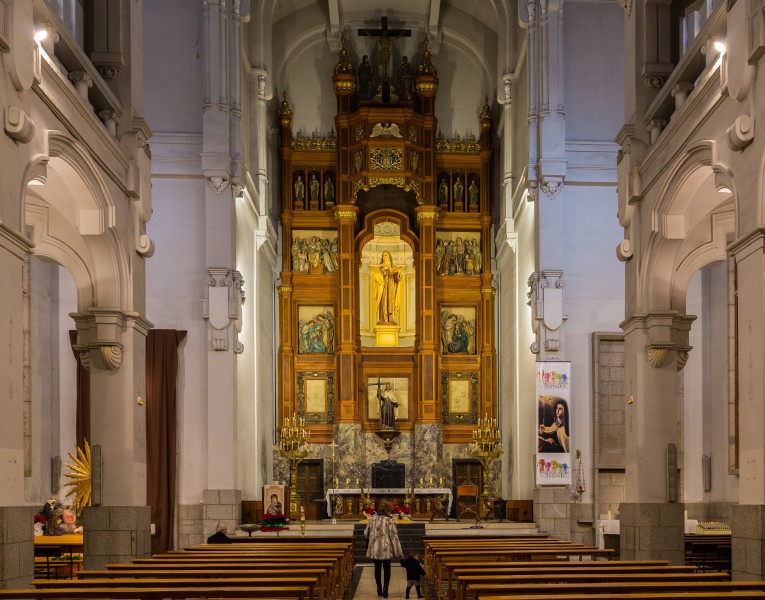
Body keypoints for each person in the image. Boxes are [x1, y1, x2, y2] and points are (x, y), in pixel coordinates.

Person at [365, 500, 403, 598]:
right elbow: (394, 537)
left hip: (375, 547)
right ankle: (385, 589)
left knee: (377, 568)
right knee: (387, 568)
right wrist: (399, 551)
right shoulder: (389, 520)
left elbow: (366, 533)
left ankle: (378, 588)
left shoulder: (372, 519)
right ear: (388, 510)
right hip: (386, 548)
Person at [372, 251, 403, 324]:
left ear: (389, 257)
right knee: (384, 302)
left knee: (391, 302)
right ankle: (384, 319)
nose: (384, 257)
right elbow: (378, 275)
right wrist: (386, 269)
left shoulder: (393, 267)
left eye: (386, 255)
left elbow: (397, 279)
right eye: (383, 256)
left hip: (391, 286)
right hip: (383, 287)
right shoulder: (380, 267)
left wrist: (398, 273)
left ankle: (391, 318)